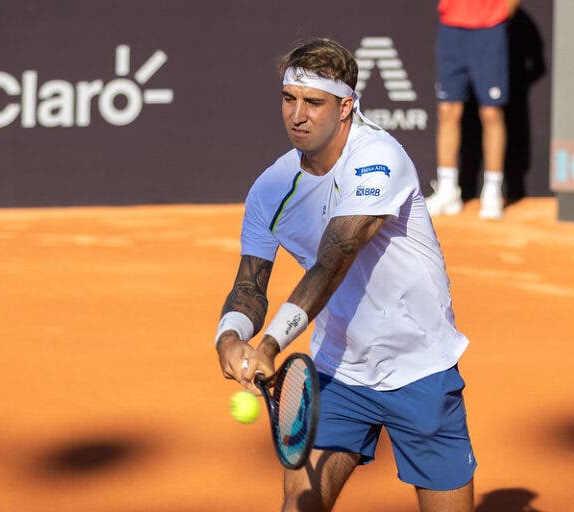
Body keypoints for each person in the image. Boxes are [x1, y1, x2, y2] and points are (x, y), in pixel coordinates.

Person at [215, 38, 476, 512]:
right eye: (289, 99)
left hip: (418, 368)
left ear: (346, 106)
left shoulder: (378, 160)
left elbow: (333, 262)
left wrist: (270, 345)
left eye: (314, 102)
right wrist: (230, 338)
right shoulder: (270, 189)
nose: (298, 115)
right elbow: (249, 285)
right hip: (337, 373)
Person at [426, 0, 519, 219]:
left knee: (491, 112)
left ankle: (493, 190)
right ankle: (448, 190)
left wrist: (500, 13)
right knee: (448, 110)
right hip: (451, 30)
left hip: (489, 32)